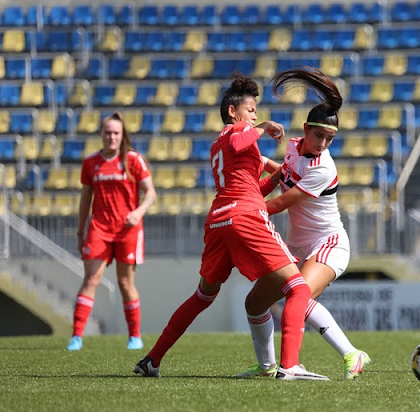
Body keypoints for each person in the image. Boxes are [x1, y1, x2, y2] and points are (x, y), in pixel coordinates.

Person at [134, 73, 329, 380]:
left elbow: (251, 187)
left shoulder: (219, 146)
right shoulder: (237, 132)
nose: (255, 115)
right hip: (244, 216)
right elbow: (241, 139)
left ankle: (152, 359)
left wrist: (279, 177)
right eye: (251, 110)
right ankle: (289, 366)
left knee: (202, 296)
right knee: (298, 286)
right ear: (233, 112)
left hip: (219, 220)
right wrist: (262, 127)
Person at [236, 67, 371, 380]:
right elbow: (280, 175)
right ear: (305, 129)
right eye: (319, 135)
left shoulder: (323, 168)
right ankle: (266, 367)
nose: (323, 143)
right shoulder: (295, 147)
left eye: (330, 138)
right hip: (297, 245)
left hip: (328, 244)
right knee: (255, 303)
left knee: (301, 297)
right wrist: (250, 188)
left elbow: (283, 203)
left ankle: (350, 356)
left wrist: (246, 215)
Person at [68, 111, 156, 351]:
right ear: (101, 134)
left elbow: (150, 193)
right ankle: (76, 336)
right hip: (99, 229)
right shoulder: (90, 163)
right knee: (90, 279)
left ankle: (134, 337)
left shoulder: (134, 160)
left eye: (116, 133)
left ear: (122, 135)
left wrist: (138, 212)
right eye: (107, 132)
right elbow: (85, 200)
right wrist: (80, 231)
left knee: (125, 282)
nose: (111, 137)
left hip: (128, 230)